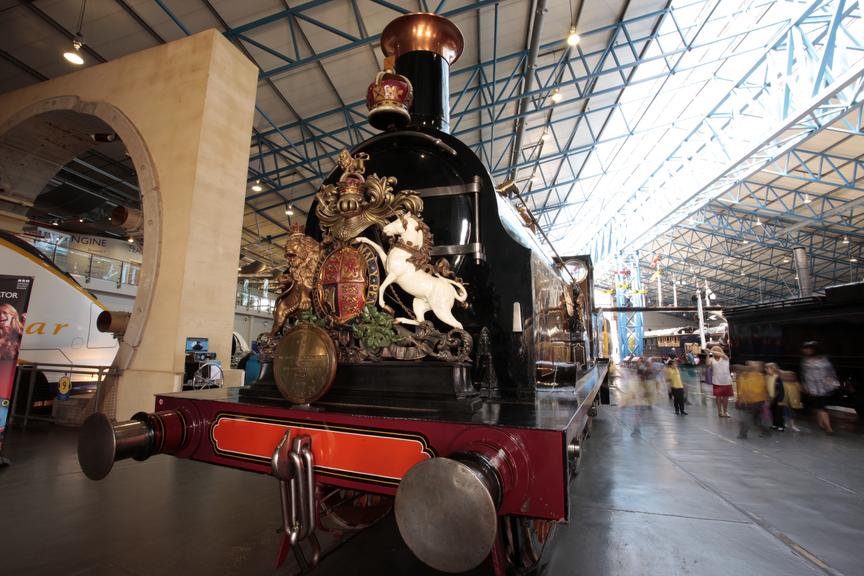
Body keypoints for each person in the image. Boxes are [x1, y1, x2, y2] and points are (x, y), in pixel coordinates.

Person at [800, 341, 839, 435]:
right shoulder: (805, 360)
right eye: (805, 348)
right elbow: (803, 374)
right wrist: (804, 384)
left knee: (821, 406)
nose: (806, 350)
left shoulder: (823, 359)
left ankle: (826, 426)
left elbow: (830, 371)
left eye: (809, 348)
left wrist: (833, 381)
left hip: (823, 386)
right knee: (820, 406)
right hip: (813, 387)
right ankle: (825, 426)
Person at [736, 361, 770, 438]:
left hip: (757, 401)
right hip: (751, 401)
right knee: (750, 419)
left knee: (754, 419)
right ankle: (743, 434)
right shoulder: (744, 376)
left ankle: (743, 434)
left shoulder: (759, 376)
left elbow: (764, 388)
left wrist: (766, 400)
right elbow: (741, 389)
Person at [709, 346, 733, 418]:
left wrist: (711, 351)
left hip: (726, 380)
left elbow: (721, 354)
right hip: (717, 381)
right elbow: (707, 364)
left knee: (726, 397)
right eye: (714, 351)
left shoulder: (725, 357)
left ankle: (725, 411)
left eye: (716, 350)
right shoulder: (711, 359)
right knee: (718, 397)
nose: (715, 352)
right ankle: (720, 411)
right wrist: (707, 354)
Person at [765, 363, 785, 431]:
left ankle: (781, 425)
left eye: (769, 368)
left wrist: (780, 399)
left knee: (779, 412)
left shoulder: (777, 377)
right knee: (773, 411)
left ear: (773, 369)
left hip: (778, 398)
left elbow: (781, 390)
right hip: (771, 397)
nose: (767, 370)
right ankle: (775, 424)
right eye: (766, 368)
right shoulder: (767, 377)